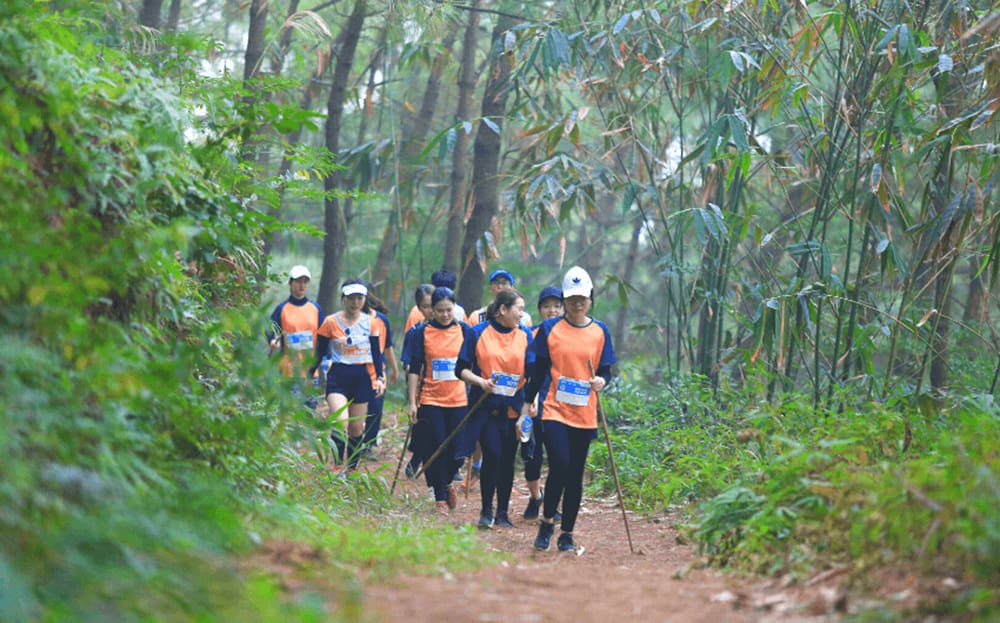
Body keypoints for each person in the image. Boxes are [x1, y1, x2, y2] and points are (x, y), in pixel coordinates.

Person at [520, 266, 615, 552]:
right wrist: (526, 406)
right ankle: (547, 521)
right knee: (559, 463)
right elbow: (536, 373)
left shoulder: (599, 331)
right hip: (554, 409)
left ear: (590, 299)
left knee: (574, 473)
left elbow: (606, 370)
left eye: (582, 298)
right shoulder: (550, 329)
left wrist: (601, 381)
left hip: (584, 413)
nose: (577, 303)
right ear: (564, 299)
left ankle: (567, 533)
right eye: (571, 298)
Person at [457, 289, 533, 529]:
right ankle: (486, 510)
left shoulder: (525, 335)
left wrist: (532, 404)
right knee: (492, 455)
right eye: (518, 308)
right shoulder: (477, 332)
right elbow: (461, 369)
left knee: (508, 461)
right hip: (486, 408)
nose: (522, 314)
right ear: (503, 309)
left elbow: (533, 374)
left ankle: (503, 512)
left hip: (514, 410)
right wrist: (480, 382)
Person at [405, 287, 473, 514]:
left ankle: (445, 483)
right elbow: (415, 368)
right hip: (431, 398)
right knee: (434, 448)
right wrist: (412, 402)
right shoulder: (421, 333)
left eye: (449, 310)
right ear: (431, 311)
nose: (445, 315)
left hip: (458, 399)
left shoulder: (465, 330)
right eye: (440, 311)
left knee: (457, 451)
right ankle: (440, 498)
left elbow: (472, 364)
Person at [315, 280, 385, 472]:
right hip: (338, 376)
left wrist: (380, 377)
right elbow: (319, 351)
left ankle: (352, 469)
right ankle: (338, 467)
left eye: (359, 299)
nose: (355, 303)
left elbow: (376, 353)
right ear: (343, 299)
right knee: (340, 421)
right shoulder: (330, 322)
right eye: (351, 298)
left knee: (356, 429)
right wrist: (310, 372)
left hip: (362, 377)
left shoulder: (371, 323)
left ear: (364, 300)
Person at [521, 285, 563, 519]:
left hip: (562, 406)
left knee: (558, 457)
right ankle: (536, 496)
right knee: (532, 455)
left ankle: (553, 504)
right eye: (547, 306)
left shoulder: (572, 333)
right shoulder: (533, 334)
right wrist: (533, 398)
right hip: (535, 403)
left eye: (557, 306)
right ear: (539, 309)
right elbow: (530, 369)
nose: (552, 310)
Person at [268, 265, 324, 407]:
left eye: (305, 282)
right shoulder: (282, 309)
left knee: (309, 415)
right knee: (292, 415)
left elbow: (325, 335)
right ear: (290, 283)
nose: (302, 285)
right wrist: (272, 340)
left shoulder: (315, 309)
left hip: (311, 372)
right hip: (289, 371)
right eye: (299, 281)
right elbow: (269, 328)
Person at [359, 281, 398, 460]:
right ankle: (354, 440)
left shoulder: (381, 320)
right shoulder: (344, 319)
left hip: (376, 370)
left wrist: (394, 369)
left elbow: (387, 346)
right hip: (354, 370)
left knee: (375, 408)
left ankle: (368, 445)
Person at [400, 283, 435, 477]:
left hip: (448, 388)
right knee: (423, 426)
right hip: (421, 386)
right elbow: (407, 361)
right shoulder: (415, 332)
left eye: (433, 304)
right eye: (426, 306)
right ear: (420, 308)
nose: (431, 310)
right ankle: (418, 460)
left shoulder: (456, 329)